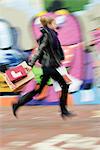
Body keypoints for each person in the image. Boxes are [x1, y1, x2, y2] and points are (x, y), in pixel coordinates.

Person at [12, 17, 74, 118]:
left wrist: (60, 60)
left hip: (50, 66)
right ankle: (64, 111)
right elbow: (39, 50)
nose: (56, 25)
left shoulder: (51, 34)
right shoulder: (47, 35)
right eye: (54, 23)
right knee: (64, 85)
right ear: (50, 24)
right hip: (49, 66)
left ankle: (17, 104)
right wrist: (30, 64)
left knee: (39, 90)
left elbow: (51, 51)